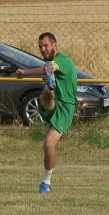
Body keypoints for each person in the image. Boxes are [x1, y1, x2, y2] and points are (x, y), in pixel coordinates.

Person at [15, 32, 77, 194]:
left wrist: (27, 72)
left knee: (48, 144)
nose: (43, 49)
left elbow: (52, 67)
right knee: (46, 94)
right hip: (50, 105)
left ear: (55, 45)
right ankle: (50, 87)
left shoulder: (63, 60)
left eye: (46, 46)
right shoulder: (48, 63)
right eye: (40, 47)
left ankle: (45, 182)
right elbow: (48, 67)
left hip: (64, 108)